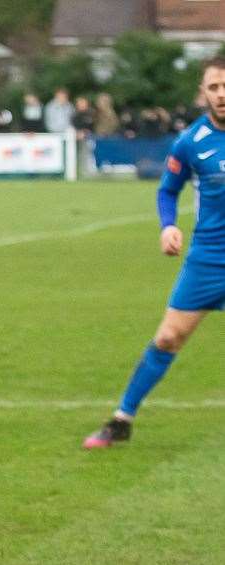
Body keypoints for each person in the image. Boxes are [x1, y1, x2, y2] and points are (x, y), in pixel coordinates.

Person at [83, 58, 225, 448]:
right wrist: (168, 226)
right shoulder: (191, 141)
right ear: (203, 92)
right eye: (213, 87)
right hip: (208, 258)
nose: (221, 94)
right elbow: (168, 189)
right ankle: (122, 419)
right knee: (166, 339)